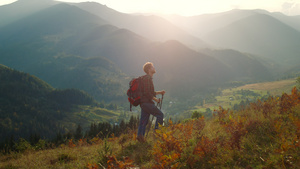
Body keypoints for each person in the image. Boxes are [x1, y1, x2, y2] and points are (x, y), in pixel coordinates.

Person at [137, 62, 165, 142]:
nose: (154, 68)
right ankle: (156, 134)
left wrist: (160, 92)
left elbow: (150, 92)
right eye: (152, 67)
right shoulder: (147, 79)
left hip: (144, 103)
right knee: (160, 115)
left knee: (143, 121)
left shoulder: (147, 78)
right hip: (147, 103)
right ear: (149, 69)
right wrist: (155, 99)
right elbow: (147, 93)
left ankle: (140, 137)